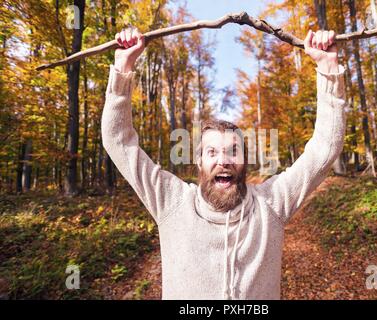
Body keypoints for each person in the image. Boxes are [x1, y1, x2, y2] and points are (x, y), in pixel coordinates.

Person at [101, 27, 346, 299]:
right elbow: (118, 140)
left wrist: (328, 68)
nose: (224, 161)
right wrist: (123, 66)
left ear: (244, 160)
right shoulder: (171, 201)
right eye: (212, 152)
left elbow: (325, 148)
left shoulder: (271, 204)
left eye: (233, 151)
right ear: (199, 162)